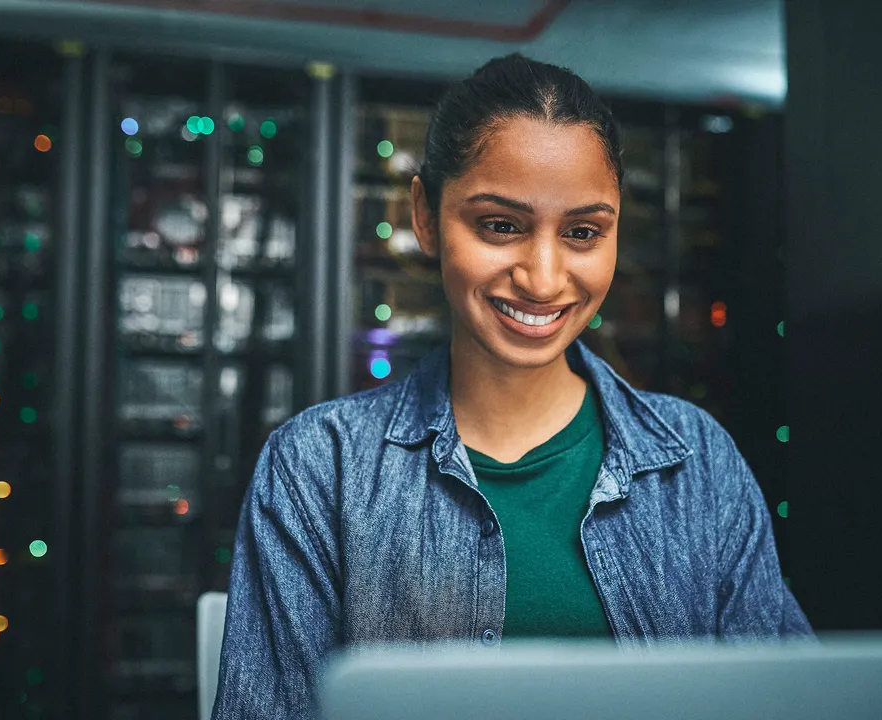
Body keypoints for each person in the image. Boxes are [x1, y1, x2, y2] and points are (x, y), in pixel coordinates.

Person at [211, 53, 813, 720]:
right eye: (501, 225)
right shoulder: (317, 467)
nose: (543, 278)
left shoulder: (698, 462)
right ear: (425, 216)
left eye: (583, 233)